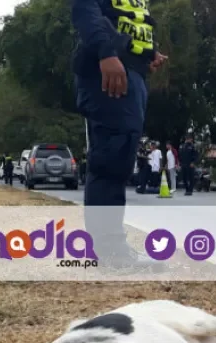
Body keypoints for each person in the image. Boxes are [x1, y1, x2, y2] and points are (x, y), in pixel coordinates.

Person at [71, 0, 168, 269]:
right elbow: (85, 9)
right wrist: (106, 52)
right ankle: (109, 252)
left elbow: (128, 20)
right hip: (107, 71)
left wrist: (148, 53)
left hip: (130, 71)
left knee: (122, 155)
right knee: (110, 158)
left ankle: (112, 248)